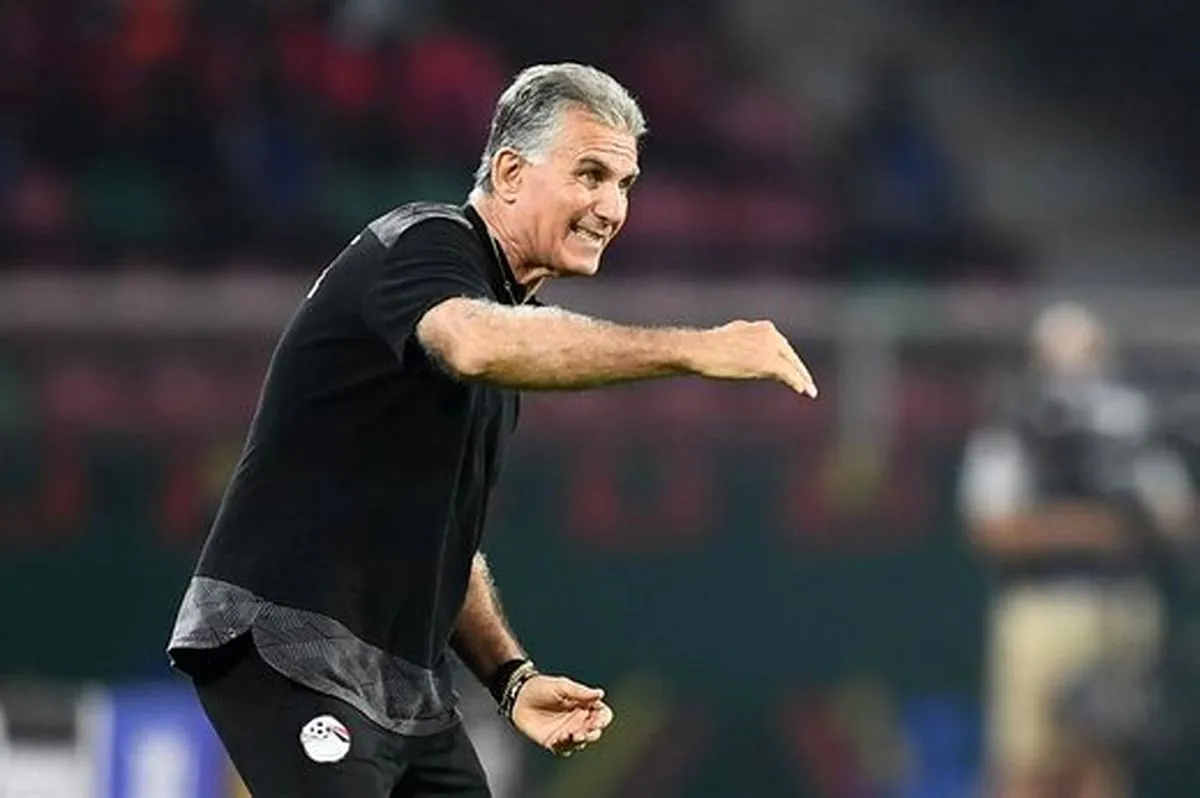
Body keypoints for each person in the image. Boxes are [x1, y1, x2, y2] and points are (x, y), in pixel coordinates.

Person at [167, 62, 817, 798]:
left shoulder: (510, 328)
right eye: (590, 174)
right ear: (509, 172)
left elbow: (446, 541)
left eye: (625, 184)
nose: (611, 207)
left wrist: (512, 678)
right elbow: (473, 342)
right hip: (291, 643)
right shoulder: (427, 242)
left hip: (404, 689)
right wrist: (692, 349)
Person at [959, 303, 1195, 798]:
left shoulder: (1131, 425)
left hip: (1120, 605)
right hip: (1043, 605)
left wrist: (1134, 515)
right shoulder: (1016, 425)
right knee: (1027, 765)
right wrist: (1086, 527)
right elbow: (990, 526)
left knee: (1103, 762)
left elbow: (1176, 512)